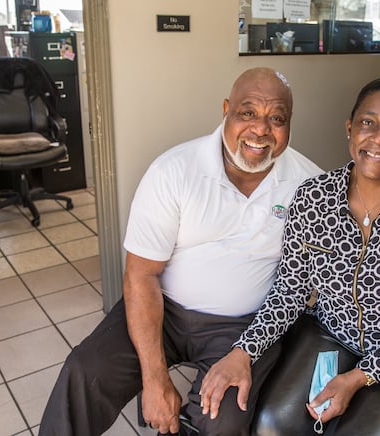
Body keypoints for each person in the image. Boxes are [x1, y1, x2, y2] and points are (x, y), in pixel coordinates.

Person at [39, 67, 323, 436]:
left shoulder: (309, 185)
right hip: (164, 310)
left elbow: (305, 283)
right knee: (85, 369)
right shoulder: (174, 171)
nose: (261, 129)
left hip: (243, 326)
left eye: (277, 118)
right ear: (226, 110)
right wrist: (155, 380)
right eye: (248, 112)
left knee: (222, 418)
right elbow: (141, 274)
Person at [201, 77, 380, 435]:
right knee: (272, 426)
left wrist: (359, 377)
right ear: (350, 128)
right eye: (368, 123)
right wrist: (244, 351)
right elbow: (290, 290)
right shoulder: (314, 198)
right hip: (336, 336)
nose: (379, 138)